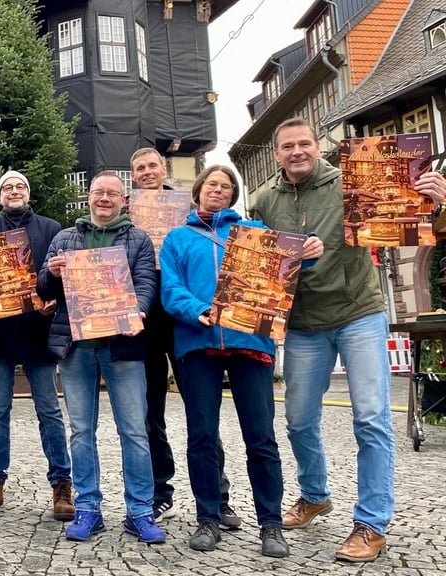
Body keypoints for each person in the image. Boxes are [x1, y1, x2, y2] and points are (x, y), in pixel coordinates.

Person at [253, 117, 446, 562]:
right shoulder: (264, 200)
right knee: (299, 421)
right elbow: (261, 263)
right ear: (277, 154)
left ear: (317, 147)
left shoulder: (354, 181)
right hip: (303, 323)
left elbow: (406, 220)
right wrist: (289, 257)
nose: (297, 151)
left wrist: (434, 201)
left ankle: (370, 523)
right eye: (287, 146)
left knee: (372, 418)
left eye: (304, 144)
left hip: (358, 312)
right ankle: (315, 495)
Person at [160, 165, 303, 558]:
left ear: (233, 194)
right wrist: (197, 309)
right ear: (198, 191)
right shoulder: (177, 238)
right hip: (198, 343)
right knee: (202, 435)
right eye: (211, 185)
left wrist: (306, 253)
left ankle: (270, 524)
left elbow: (285, 271)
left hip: (250, 343)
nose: (218, 191)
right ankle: (208, 516)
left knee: (261, 438)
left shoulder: (254, 233)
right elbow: (170, 289)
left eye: (225, 187)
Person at [37, 171, 164, 544]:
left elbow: (146, 283)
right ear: (88, 197)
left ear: (124, 200)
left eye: (112, 193)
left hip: (122, 346)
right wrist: (51, 271)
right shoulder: (65, 237)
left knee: (135, 432)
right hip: (76, 348)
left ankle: (140, 510)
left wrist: (138, 310)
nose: (104, 198)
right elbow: (43, 287)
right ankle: (88, 507)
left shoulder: (138, 238)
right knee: (81, 431)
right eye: (97, 192)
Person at [129, 147, 240, 528]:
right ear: (133, 175)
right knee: (149, 412)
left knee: (201, 409)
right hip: (144, 316)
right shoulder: (128, 214)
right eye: (139, 168)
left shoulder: (188, 210)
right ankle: (161, 493)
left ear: (164, 169)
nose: (147, 172)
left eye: (152, 166)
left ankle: (217, 496)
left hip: (186, 317)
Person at [0, 170, 73, 520]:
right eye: (8, 187)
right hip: (0, 329)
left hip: (38, 328)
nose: (14, 190)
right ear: (0, 196)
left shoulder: (51, 228)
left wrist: (55, 296)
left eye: (20, 186)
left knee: (49, 410)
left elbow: (59, 274)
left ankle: (61, 482)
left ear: (28, 193)